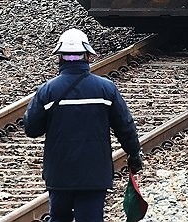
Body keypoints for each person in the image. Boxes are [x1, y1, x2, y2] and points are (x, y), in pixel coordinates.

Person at [24, 29, 144, 222]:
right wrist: (134, 152)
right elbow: (125, 126)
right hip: (94, 173)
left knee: (59, 218)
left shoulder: (48, 90)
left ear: (60, 58)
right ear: (88, 56)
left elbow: (31, 128)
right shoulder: (106, 89)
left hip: (59, 173)